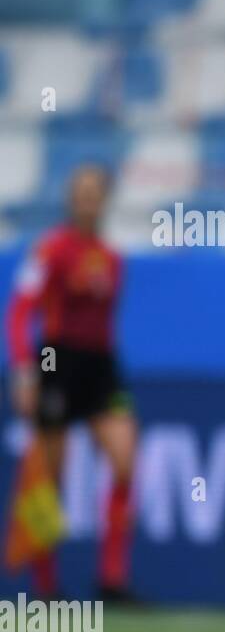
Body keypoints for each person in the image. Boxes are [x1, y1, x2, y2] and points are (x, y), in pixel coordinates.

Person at [5, 164, 137, 602]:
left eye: (95, 193)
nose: (87, 201)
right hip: (57, 363)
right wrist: (26, 371)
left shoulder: (112, 257)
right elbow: (22, 312)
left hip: (100, 368)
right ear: (70, 200)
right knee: (50, 478)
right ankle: (46, 587)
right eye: (80, 193)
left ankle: (111, 580)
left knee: (124, 461)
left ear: (105, 201)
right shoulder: (50, 250)